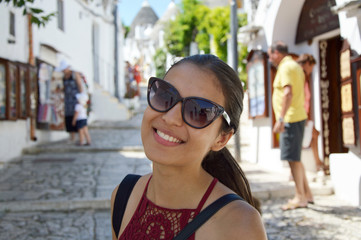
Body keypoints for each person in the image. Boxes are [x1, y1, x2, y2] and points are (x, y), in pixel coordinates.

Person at [111, 54, 267, 239]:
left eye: (199, 111)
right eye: (164, 95)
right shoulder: (124, 196)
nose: (170, 118)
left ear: (222, 139)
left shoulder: (239, 224)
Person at [268, 41, 313, 210]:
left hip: (291, 119)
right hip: (296, 116)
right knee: (296, 158)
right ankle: (307, 194)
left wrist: (280, 119)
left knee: (292, 159)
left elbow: (287, 93)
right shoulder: (294, 66)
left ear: (276, 53)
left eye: (270, 54)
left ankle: (299, 197)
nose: (269, 59)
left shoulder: (286, 68)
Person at [297, 54, 324, 173]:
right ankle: (317, 164)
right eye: (311, 66)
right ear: (307, 63)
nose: (311, 70)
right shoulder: (299, 77)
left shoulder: (304, 78)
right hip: (299, 115)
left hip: (303, 115)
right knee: (299, 142)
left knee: (313, 135)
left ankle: (318, 163)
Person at [58, 60, 83, 142]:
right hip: (67, 100)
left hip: (75, 99)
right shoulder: (64, 77)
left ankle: (80, 137)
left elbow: (80, 86)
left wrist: (81, 98)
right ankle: (72, 136)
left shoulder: (74, 74)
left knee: (76, 118)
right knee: (68, 117)